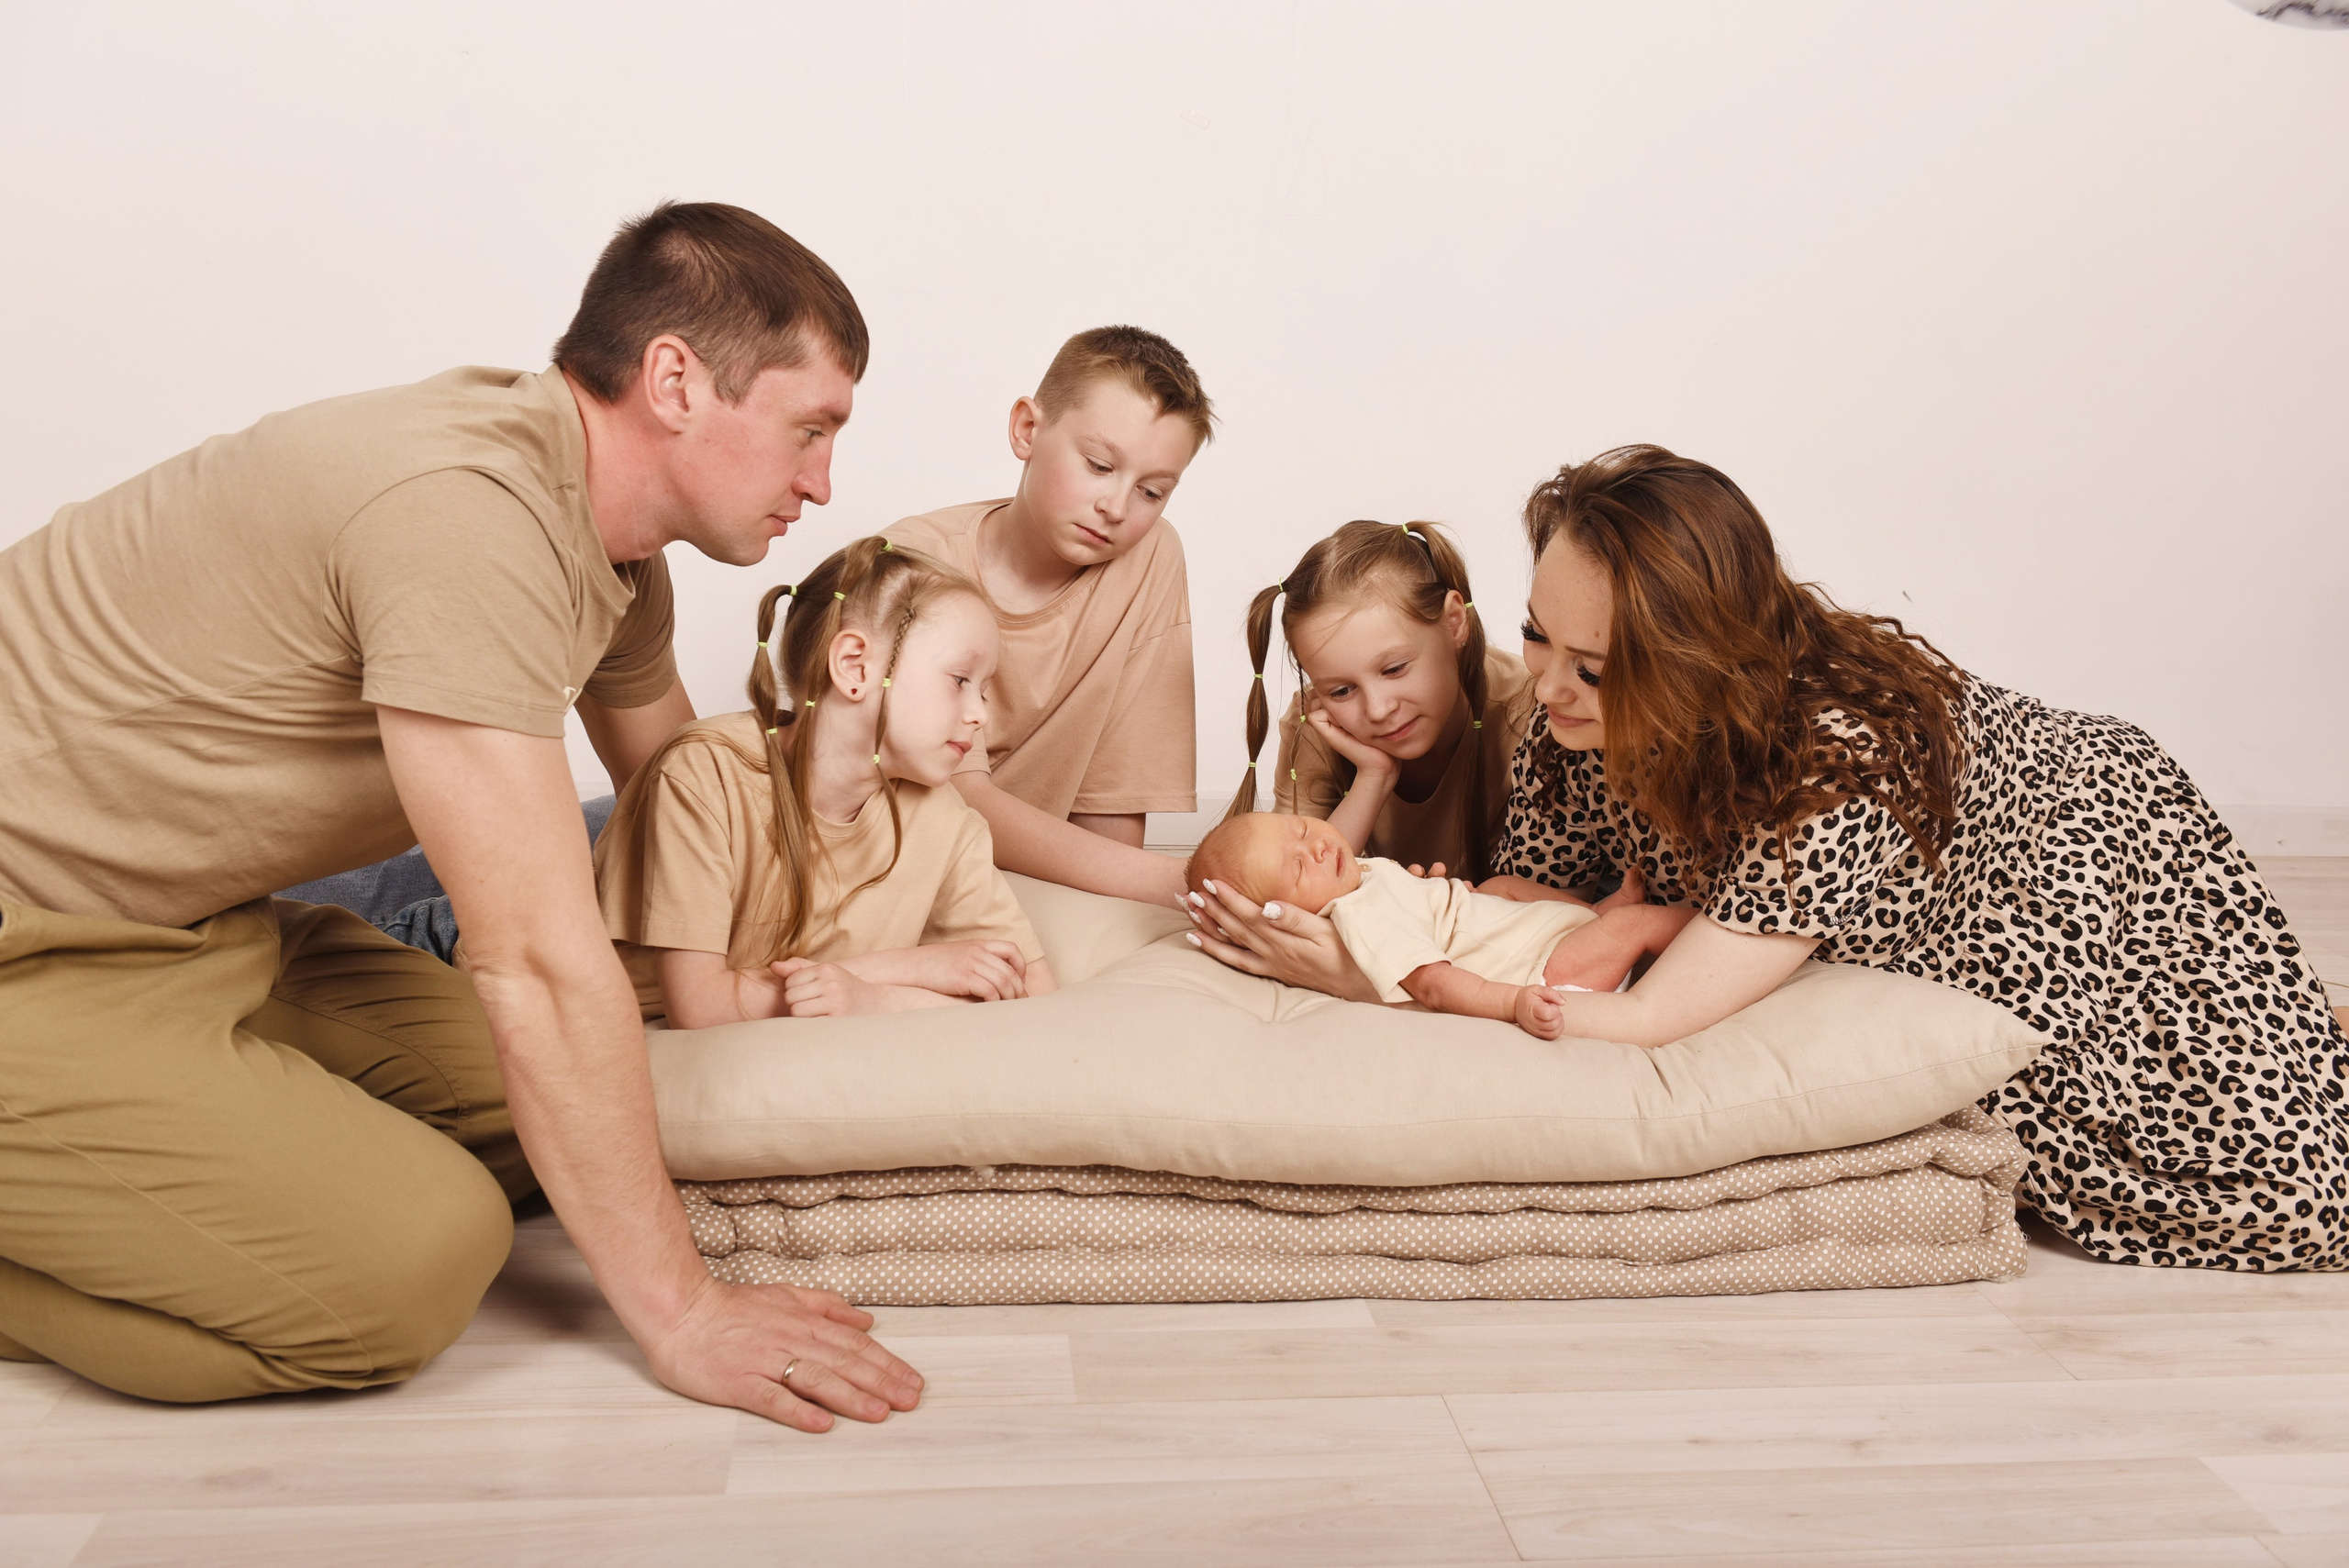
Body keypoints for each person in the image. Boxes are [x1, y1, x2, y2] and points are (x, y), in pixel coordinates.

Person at [0, 201, 927, 1424]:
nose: (822, 481)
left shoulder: (616, 552)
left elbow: (692, 809)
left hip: (187, 926)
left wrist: (921, 919)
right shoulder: (468, 514)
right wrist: (680, 1305)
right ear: (675, 382)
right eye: (809, 429)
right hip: (28, 942)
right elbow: (538, 965)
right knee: (407, 1264)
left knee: (550, 1113)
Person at [1191, 443, 2349, 1271]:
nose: (1543, 686)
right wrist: (1397, 925)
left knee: (2259, 1191)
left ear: (1687, 661)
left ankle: (2297, 1025)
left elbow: (1642, 1022)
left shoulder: (1829, 769)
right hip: (1882, 853)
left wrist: (1379, 985)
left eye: (1591, 666)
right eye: (1537, 634)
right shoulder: (1566, 710)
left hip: (2069, 844)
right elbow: (1527, 896)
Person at [596, 537, 1055, 1027]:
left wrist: (878, 999)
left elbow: (1036, 993)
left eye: (984, 690)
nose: (980, 715)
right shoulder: (704, 773)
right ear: (854, 667)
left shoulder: (947, 821)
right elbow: (699, 1008)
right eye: (961, 680)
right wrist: (905, 969)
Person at [887, 327, 1211, 907]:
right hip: (896, 877)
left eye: (1153, 492)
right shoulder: (914, 560)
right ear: (1027, 429)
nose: (1116, 507)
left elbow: (1111, 809)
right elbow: (959, 800)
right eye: (1097, 465)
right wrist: (1189, 886)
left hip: (1037, 886)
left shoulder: (1151, 556)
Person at [1186, 811, 1689, 1038]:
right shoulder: (1360, 916)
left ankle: (1594, 915)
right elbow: (1435, 985)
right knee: (1637, 924)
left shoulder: (1357, 878)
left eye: (1300, 828)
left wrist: (1438, 899)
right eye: (1298, 869)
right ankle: (1722, 931)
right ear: (1290, 919)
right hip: (1544, 973)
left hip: (1536, 934)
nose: (1316, 847)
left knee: (1498, 886)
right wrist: (1513, 1003)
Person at [1230, 519, 1532, 882]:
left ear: (1454, 622)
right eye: (1341, 691)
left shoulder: (1532, 710)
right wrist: (1374, 776)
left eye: (1394, 669)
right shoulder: (1317, 723)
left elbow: (1546, 900)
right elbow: (1288, 886)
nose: (1377, 709)